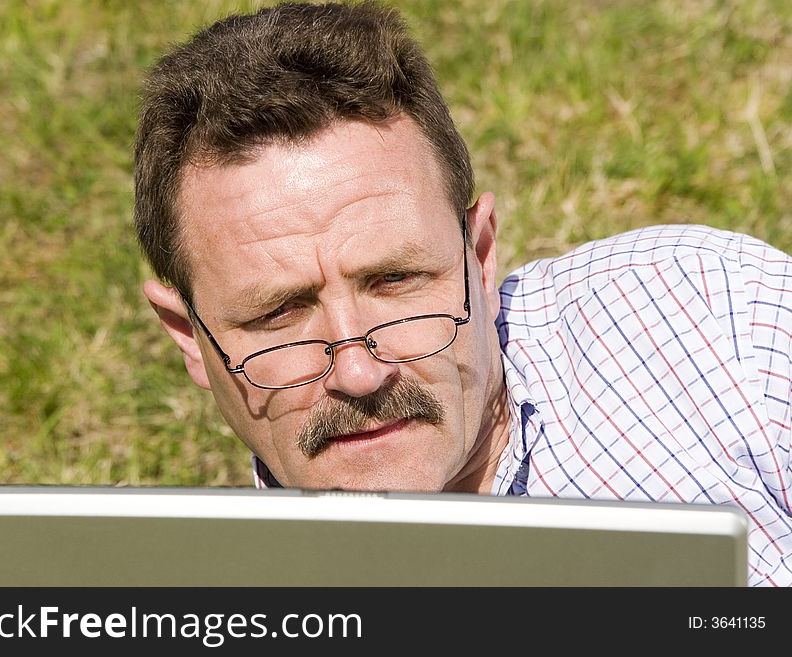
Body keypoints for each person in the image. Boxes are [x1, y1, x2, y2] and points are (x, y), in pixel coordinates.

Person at [133, 1, 792, 586]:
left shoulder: (711, 316)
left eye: (395, 282)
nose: (359, 372)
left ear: (479, 258)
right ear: (190, 336)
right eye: (279, 313)